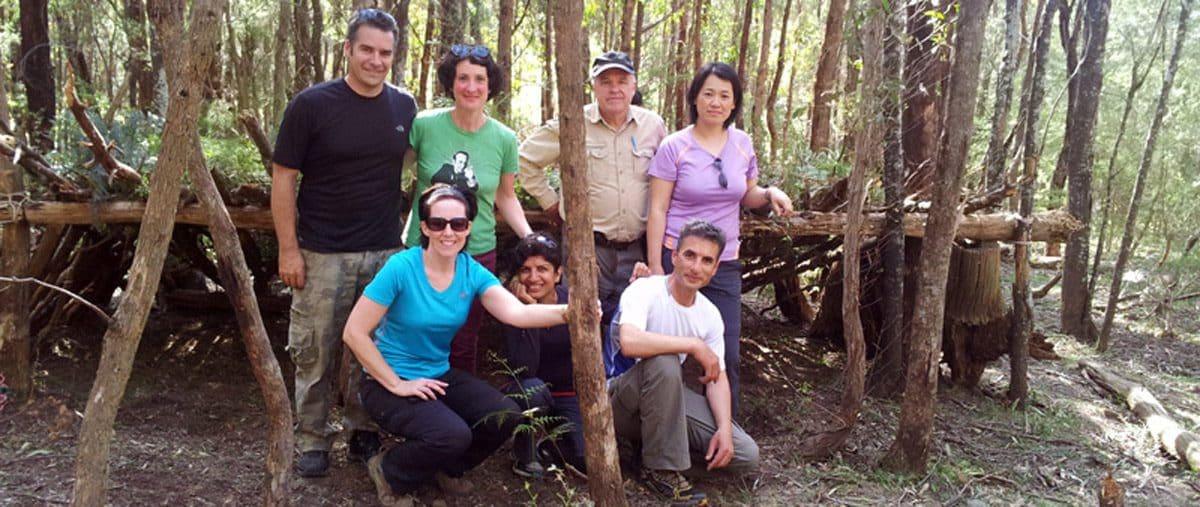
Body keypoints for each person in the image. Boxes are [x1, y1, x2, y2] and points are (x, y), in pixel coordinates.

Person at [345, 185, 576, 507]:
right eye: (438, 223)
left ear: (469, 227)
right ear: (424, 227)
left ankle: (447, 469)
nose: (448, 232)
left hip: (437, 374)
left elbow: (518, 313)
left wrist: (574, 312)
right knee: (451, 434)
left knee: (505, 415)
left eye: (458, 223)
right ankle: (390, 470)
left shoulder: (470, 271)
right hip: (385, 382)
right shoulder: (401, 268)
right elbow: (354, 332)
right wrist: (398, 384)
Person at [270, 8, 416, 478]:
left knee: (373, 347)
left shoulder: (404, 107)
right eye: (367, 50)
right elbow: (283, 180)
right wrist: (288, 249)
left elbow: (422, 166)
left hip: (383, 251)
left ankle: (362, 428)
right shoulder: (311, 105)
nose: (376, 60)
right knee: (315, 348)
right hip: (321, 251)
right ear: (348, 49)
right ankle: (311, 437)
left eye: (385, 53)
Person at [646, 62, 794, 414]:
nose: (716, 102)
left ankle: (725, 432)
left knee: (726, 349)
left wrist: (769, 193)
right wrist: (655, 267)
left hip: (723, 261)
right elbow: (657, 210)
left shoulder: (741, 143)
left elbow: (748, 194)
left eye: (724, 95)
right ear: (695, 98)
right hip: (677, 259)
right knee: (672, 351)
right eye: (708, 93)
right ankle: (668, 431)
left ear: (734, 103)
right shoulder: (674, 146)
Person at [606, 219, 759, 507]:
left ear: (715, 269)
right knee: (664, 362)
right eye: (689, 255)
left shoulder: (709, 314)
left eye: (706, 260)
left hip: (662, 405)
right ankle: (660, 470)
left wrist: (724, 428)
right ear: (674, 256)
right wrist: (692, 344)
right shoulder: (645, 290)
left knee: (745, 454)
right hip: (617, 400)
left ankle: (651, 457)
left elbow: (717, 377)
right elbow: (629, 343)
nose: (695, 267)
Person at [403, 44, 533, 376]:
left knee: (464, 339)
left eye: (479, 79)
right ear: (451, 83)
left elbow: (506, 197)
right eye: (463, 78)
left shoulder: (504, 138)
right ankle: (415, 410)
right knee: (416, 331)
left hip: (475, 254)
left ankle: (459, 411)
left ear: (491, 86)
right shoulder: (424, 126)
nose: (471, 87)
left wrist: (531, 241)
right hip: (424, 249)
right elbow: (393, 173)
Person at [518, 50, 667, 335]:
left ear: (633, 86)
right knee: (582, 324)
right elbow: (523, 160)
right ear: (594, 87)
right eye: (606, 81)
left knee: (631, 325)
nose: (614, 89)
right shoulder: (572, 122)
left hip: (636, 249)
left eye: (622, 81)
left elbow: (667, 179)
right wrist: (550, 202)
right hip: (586, 248)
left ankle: (623, 381)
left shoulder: (653, 126)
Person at [500, 233, 587, 479]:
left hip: (567, 394)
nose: (534, 278)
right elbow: (525, 368)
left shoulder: (574, 301)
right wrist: (530, 313)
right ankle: (523, 452)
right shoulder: (511, 308)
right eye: (526, 270)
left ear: (558, 274)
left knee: (582, 458)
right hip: (527, 390)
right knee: (533, 390)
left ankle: (550, 446)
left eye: (542, 269)